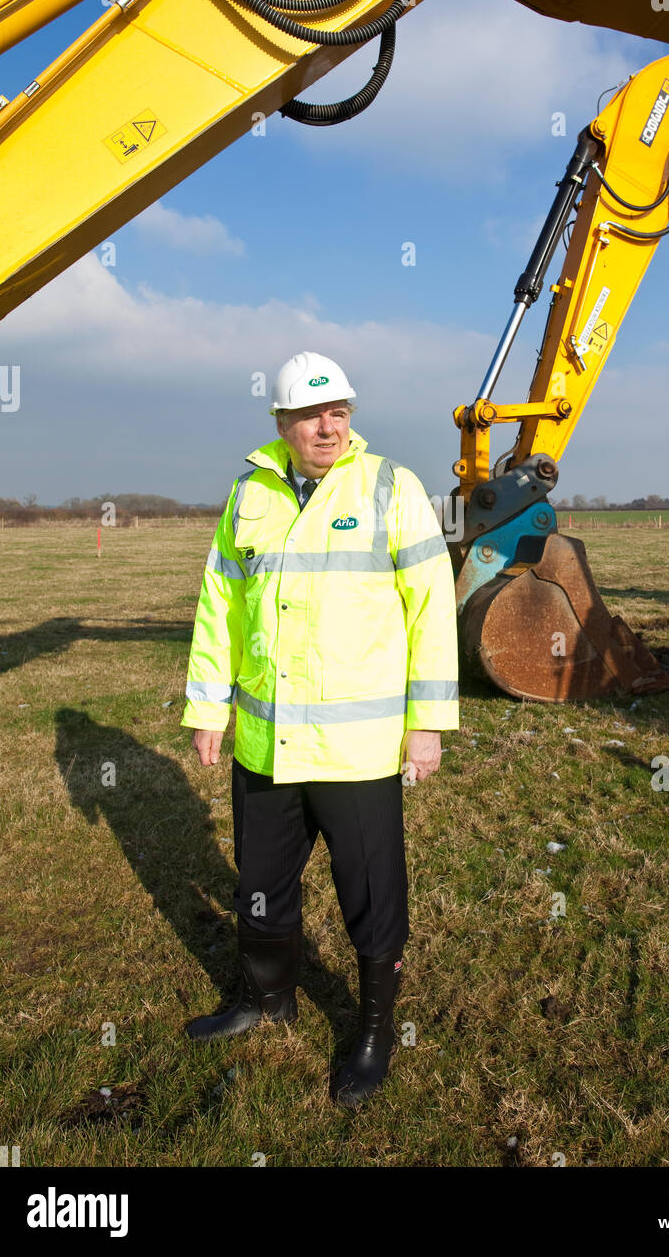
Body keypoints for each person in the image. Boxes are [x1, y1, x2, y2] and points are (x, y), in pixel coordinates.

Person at [179, 350, 459, 1107]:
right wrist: (208, 708)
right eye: (311, 414)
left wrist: (427, 724)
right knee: (262, 884)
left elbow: (432, 610)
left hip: (358, 747)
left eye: (339, 411)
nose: (328, 426)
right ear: (282, 423)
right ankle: (266, 997)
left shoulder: (389, 488)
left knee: (370, 890)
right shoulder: (250, 494)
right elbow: (219, 611)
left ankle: (373, 1031)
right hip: (267, 740)